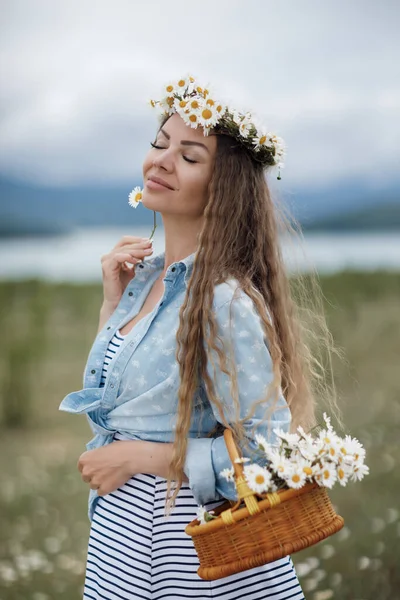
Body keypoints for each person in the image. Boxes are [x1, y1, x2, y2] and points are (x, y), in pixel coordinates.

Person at [60, 75, 338, 599]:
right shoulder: (144, 281)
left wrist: (136, 458)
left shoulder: (222, 300)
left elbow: (268, 457)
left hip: (191, 551)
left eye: (189, 156)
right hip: (123, 541)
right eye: (160, 144)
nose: (161, 161)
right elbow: (117, 406)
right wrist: (111, 304)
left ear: (223, 189)